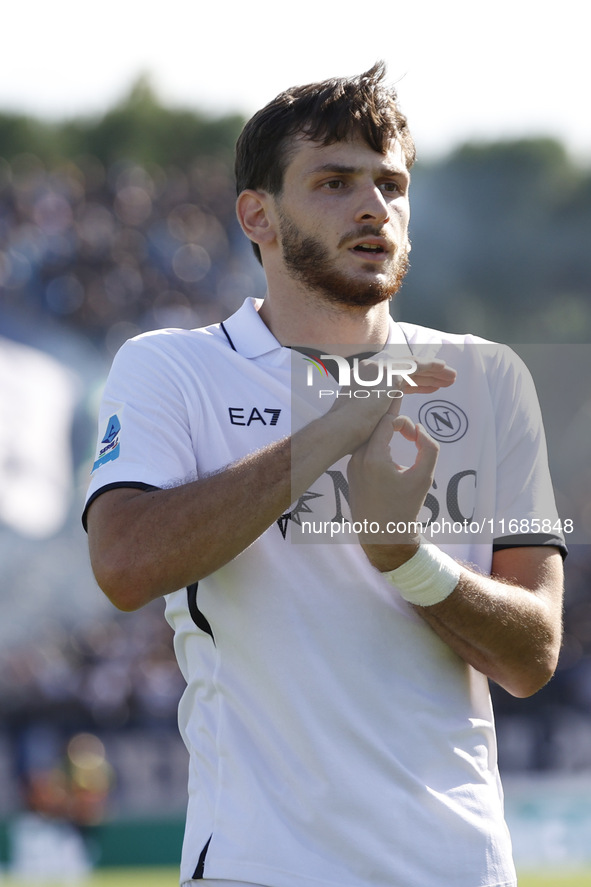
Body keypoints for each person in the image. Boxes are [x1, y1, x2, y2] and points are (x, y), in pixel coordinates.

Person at [84, 63, 565, 887]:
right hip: (259, 865)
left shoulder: (486, 377)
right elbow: (124, 566)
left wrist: (403, 557)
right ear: (257, 215)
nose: (373, 207)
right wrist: (324, 435)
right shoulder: (172, 368)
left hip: (460, 867)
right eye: (334, 181)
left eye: (391, 184)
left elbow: (532, 653)